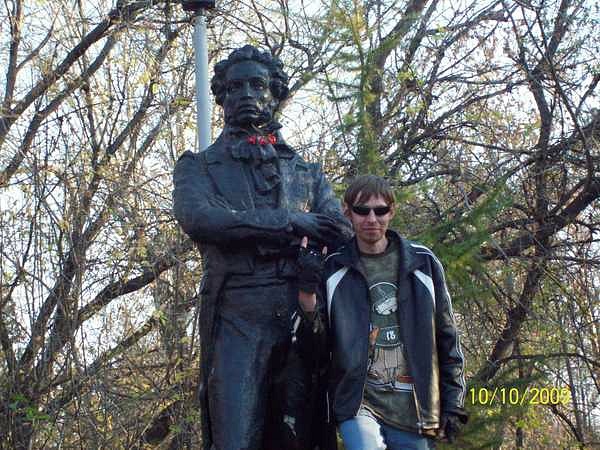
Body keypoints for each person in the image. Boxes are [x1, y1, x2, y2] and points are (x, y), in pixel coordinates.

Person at [172, 45, 351, 450]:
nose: (247, 94)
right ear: (222, 97)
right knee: (235, 438)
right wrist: (291, 221)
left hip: (299, 313)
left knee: (299, 438)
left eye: (257, 85)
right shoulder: (198, 167)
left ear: (275, 93)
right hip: (236, 313)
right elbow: (201, 219)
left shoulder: (307, 173)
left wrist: (249, 226)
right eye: (235, 87)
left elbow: (337, 229)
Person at [295, 174, 467, 450]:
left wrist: (453, 402)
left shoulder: (424, 263)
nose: (371, 219)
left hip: (415, 409)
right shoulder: (334, 268)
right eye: (362, 211)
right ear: (348, 213)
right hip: (358, 404)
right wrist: (307, 297)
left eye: (380, 210)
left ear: (392, 211)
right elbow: (317, 347)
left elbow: (447, 338)